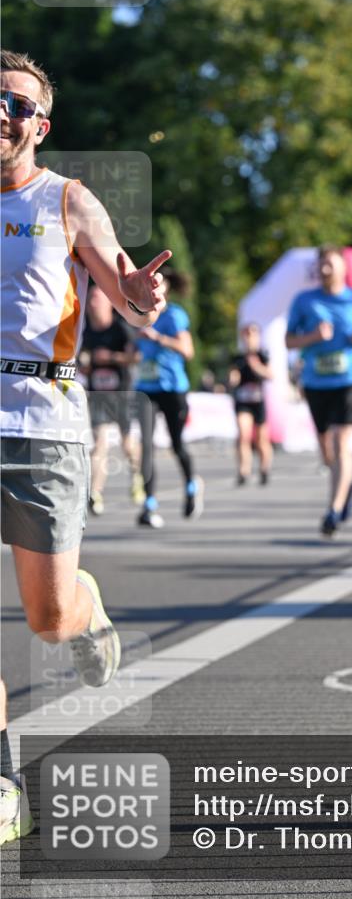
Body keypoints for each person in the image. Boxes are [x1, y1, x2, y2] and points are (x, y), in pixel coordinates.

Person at [0, 49, 170, 844]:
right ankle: (5, 782)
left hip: (43, 424)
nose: (2, 113)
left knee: (47, 619)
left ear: (41, 123)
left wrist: (138, 298)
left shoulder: (66, 200)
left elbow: (130, 300)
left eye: (15, 103)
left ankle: (85, 610)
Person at [286, 245, 352, 536]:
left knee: (341, 443)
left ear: (343, 268)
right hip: (316, 382)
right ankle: (346, 484)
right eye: (321, 265)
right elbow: (289, 341)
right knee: (327, 450)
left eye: (329, 264)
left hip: (348, 380)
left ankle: (333, 510)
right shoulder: (304, 300)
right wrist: (313, 337)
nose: (324, 269)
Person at [134, 270, 203, 528]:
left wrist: (160, 338)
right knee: (147, 448)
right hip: (146, 389)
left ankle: (191, 485)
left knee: (176, 444)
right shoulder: (139, 316)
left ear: (166, 291)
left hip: (173, 389)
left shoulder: (175, 315)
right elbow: (133, 355)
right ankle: (149, 503)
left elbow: (188, 351)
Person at [79, 284, 144, 514]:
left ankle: (138, 476)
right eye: (90, 299)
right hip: (97, 394)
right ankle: (95, 493)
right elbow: (80, 360)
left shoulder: (120, 328)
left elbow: (136, 357)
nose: (92, 303)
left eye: (97, 297)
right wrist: (85, 365)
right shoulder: (85, 331)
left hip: (121, 393)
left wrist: (112, 357)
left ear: (108, 303)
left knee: (127, 444)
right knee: (98, 444)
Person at [229, 323, 273, 485]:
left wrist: (256, 366)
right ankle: (244, 470)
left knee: (261, 439)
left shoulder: (263, 355)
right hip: (242, 400)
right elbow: (233, 376)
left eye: (252, 334)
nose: (249, 337)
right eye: (246, 334)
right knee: (243, 434)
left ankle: (264, 468)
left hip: (258, 400)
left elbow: (270, 374)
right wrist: (232, 379)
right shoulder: (238, 357)